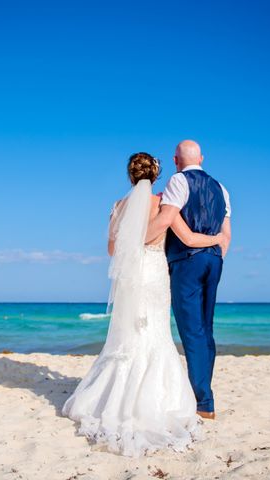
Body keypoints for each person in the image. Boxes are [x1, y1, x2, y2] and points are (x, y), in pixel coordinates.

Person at [61, 152, 224, 457]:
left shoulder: (118, 206)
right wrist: (214, 238)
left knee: (127, 334)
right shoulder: (164, 202)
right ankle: (156, 402)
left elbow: (112, 250)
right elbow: (186, 237)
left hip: (130, 276)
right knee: (156, 332)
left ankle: (111, 398)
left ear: (130, 175)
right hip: (154, 272)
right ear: (157, 173)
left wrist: (130, 240)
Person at [146, 140, 231, 419]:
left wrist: (133, 241)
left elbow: (165, 221)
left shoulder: (179, 181)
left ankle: (204, 401)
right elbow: (226, 235)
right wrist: (216, 256)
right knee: (206, 328)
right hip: (214, 261)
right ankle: (205, 394)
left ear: (175, 160)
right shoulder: (222, 189)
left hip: (187, 261)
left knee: (192, 330)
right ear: (202, 158)